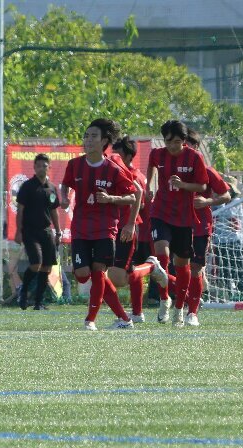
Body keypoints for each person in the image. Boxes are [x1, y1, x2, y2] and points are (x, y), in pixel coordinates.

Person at [60, 118, 140, 331]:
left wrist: (111, 199)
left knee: (97, 273)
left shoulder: (113, 168)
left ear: (104, 140)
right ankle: (124, 318)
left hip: (106, 228)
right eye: (86, 136)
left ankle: (90, 320)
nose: (88, 140)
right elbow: (65, 185)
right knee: (82, 274)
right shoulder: (74, 165)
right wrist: (65, 197)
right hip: (80, 228)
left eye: (93, 136)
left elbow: (132, 197)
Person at [146, 120, 208, 327]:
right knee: (161, 253)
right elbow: (151, 165)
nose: (172, 146)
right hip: (161, 212)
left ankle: (180, 309)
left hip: (183, 218)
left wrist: (183, 185)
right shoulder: (157, 154)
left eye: (177, 142)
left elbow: (202, 184)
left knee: (182, 266)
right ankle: (165, 299)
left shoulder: (194, 157)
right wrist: (149, 186)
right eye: (168, 141)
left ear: (184, 141)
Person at [107, 135, 168, 323]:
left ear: (126, 156)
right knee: (131, 273)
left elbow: (139, 203)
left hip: (140, 230)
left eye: (116, 154)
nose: (112, 157)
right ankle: (137, 312)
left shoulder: (134, 176)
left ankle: (173, 292)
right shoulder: (120, 173)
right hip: (128, 228)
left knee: (130, 273)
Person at [185, 128, 231, 325]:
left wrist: (206, 202)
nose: (182, 149)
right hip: (175, 224)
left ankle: (192, 312)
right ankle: (179, 300)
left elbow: (226, 195)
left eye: (187, 145)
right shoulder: (171, 169)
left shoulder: (208, 171)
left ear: (195, 147)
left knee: (194, 267)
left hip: (200, 227)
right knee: (174, 265)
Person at [15, 153, 62, 310]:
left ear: (49, 167)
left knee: (47, 267)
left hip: (47, 232)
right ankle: (23, 292)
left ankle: (38, 302)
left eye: (45, 165)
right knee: (36, 263)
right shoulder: (27, 186)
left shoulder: (52, 188)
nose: (42, 168)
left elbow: (54, 211)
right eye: (39, 165)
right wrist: (18, 231)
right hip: (30, 231)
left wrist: (58, 232)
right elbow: (20, 210)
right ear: (34, 168)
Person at [211, 175, 243, 301]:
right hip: (219, 241)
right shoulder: (217, 203)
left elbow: (235, 222)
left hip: (234, 240)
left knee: (236, 267)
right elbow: (214, 219)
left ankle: (239, 292)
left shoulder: (236, 203)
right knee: (222, 269)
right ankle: (224, 293)